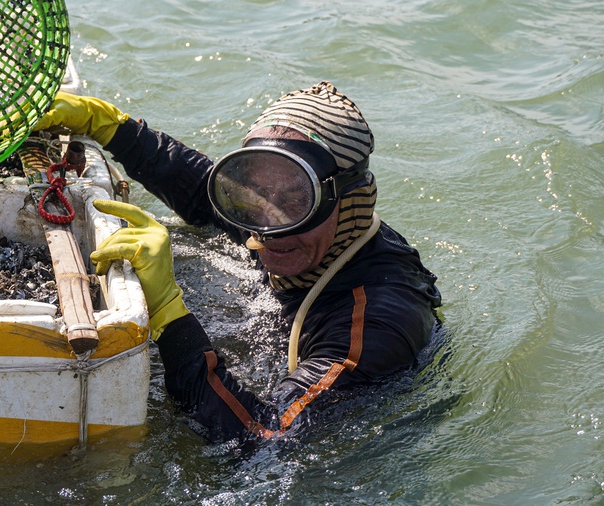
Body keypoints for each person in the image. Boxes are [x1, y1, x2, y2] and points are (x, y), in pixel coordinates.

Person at [35, 81, 442, 443]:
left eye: (296, 199)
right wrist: (111, 127)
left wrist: (168, 311)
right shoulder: (298, 231)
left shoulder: (376, 327)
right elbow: (202, 194)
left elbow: (263, 437)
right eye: (253, 193)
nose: (267, 229)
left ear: (349, 200)